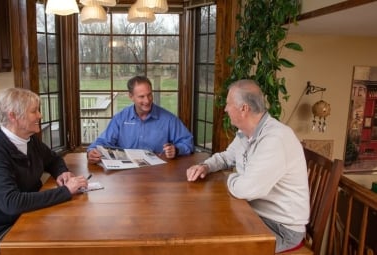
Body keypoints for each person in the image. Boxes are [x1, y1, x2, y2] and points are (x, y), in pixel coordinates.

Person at [186, 79, 309, 253]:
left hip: (281, 229)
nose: (226, 109)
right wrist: (205, 166)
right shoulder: (246, 133)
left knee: (217, 245)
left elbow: (246, 190)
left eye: (229, 104)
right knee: (206, 225)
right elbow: (227, 157)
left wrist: (230, 178)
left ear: (244, 109)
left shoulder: (275, 139)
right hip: (254, 213)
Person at [0, 88, 88, 253]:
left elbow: (54, 160)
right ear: (13, 116)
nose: (40, 116)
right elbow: (12, 203)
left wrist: (62, 172)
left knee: (73, 228)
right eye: (34, 111)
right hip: (1, 232)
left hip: (27, 216)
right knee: (67, 241)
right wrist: (65, 191)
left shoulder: (29, 140)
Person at [87, 75, 194, 163]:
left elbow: (188, 142)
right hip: (127, 174)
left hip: (159, 173)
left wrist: (176, 150)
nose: (147, 101)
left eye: (149, 95)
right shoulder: (120, 118)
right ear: (131, 96)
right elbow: (102, 141)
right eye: (141, 97)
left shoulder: (169, 119)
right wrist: (91, 152)